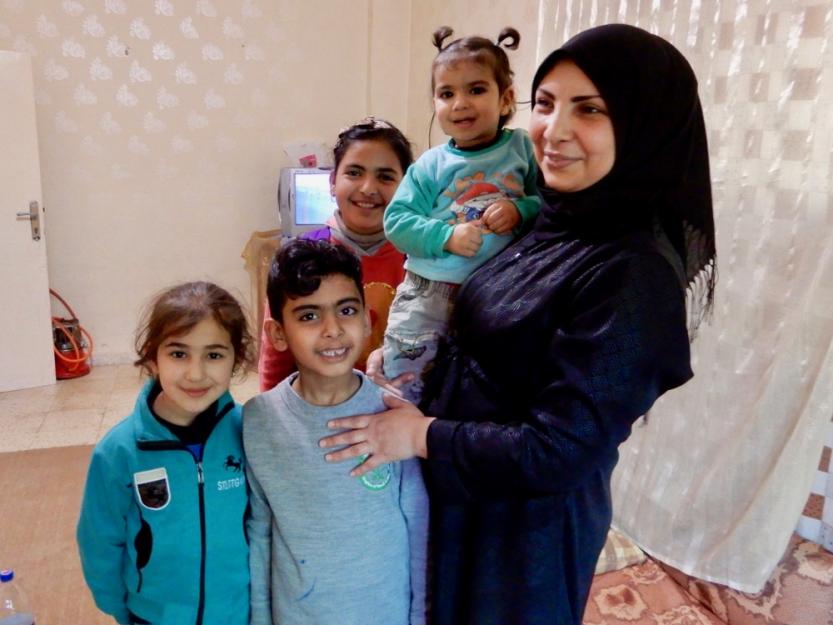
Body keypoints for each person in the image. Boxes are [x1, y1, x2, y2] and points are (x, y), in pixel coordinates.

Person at [321, 23, 716, 625]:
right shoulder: (556, 222)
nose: (554, 132)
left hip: (520, 538)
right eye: (548, 104)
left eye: (590, 109)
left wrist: (419, 435)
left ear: (644, 125)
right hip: (466, 489)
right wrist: (414, 363)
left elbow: (557, 449)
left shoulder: (631, 277)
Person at [244, 238, 428, 625]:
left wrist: (418, 615)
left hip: (386, 614)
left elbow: (417, 523)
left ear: (365, 320)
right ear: (278, 334)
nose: (332, 330)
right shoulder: (259, 420)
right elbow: (260, 535)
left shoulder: (393, 413)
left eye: (345, 310)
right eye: (308, 316)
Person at [77, 281, 254, 625]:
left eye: (214, 355)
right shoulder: (118, 452)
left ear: (237, 359)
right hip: (152, 616)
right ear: (152, 357)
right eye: (178, 353)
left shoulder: (250, 434)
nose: (195, 373)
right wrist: (117, 608)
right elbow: (99, 541)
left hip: (238, 614)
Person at [381, 26, 540, 402]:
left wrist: (520, 210)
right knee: (403, 384)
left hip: (499, 291)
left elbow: (549, 203)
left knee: (474, 388)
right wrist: (445, 236)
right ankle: (396, 450)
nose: (460, 103)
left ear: (507, 99)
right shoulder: (431, 164)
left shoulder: (522, 149)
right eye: (446, 93)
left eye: (476, 89)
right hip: (429, 293)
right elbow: (397, 222)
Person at [258, 117, 414, 391]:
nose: (368, 188)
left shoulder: (423, 258)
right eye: (354, 172)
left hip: (400, 411)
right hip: (317, 408)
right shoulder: (298, 258)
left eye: (385, 176)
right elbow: (276, 358)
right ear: (332, 181)